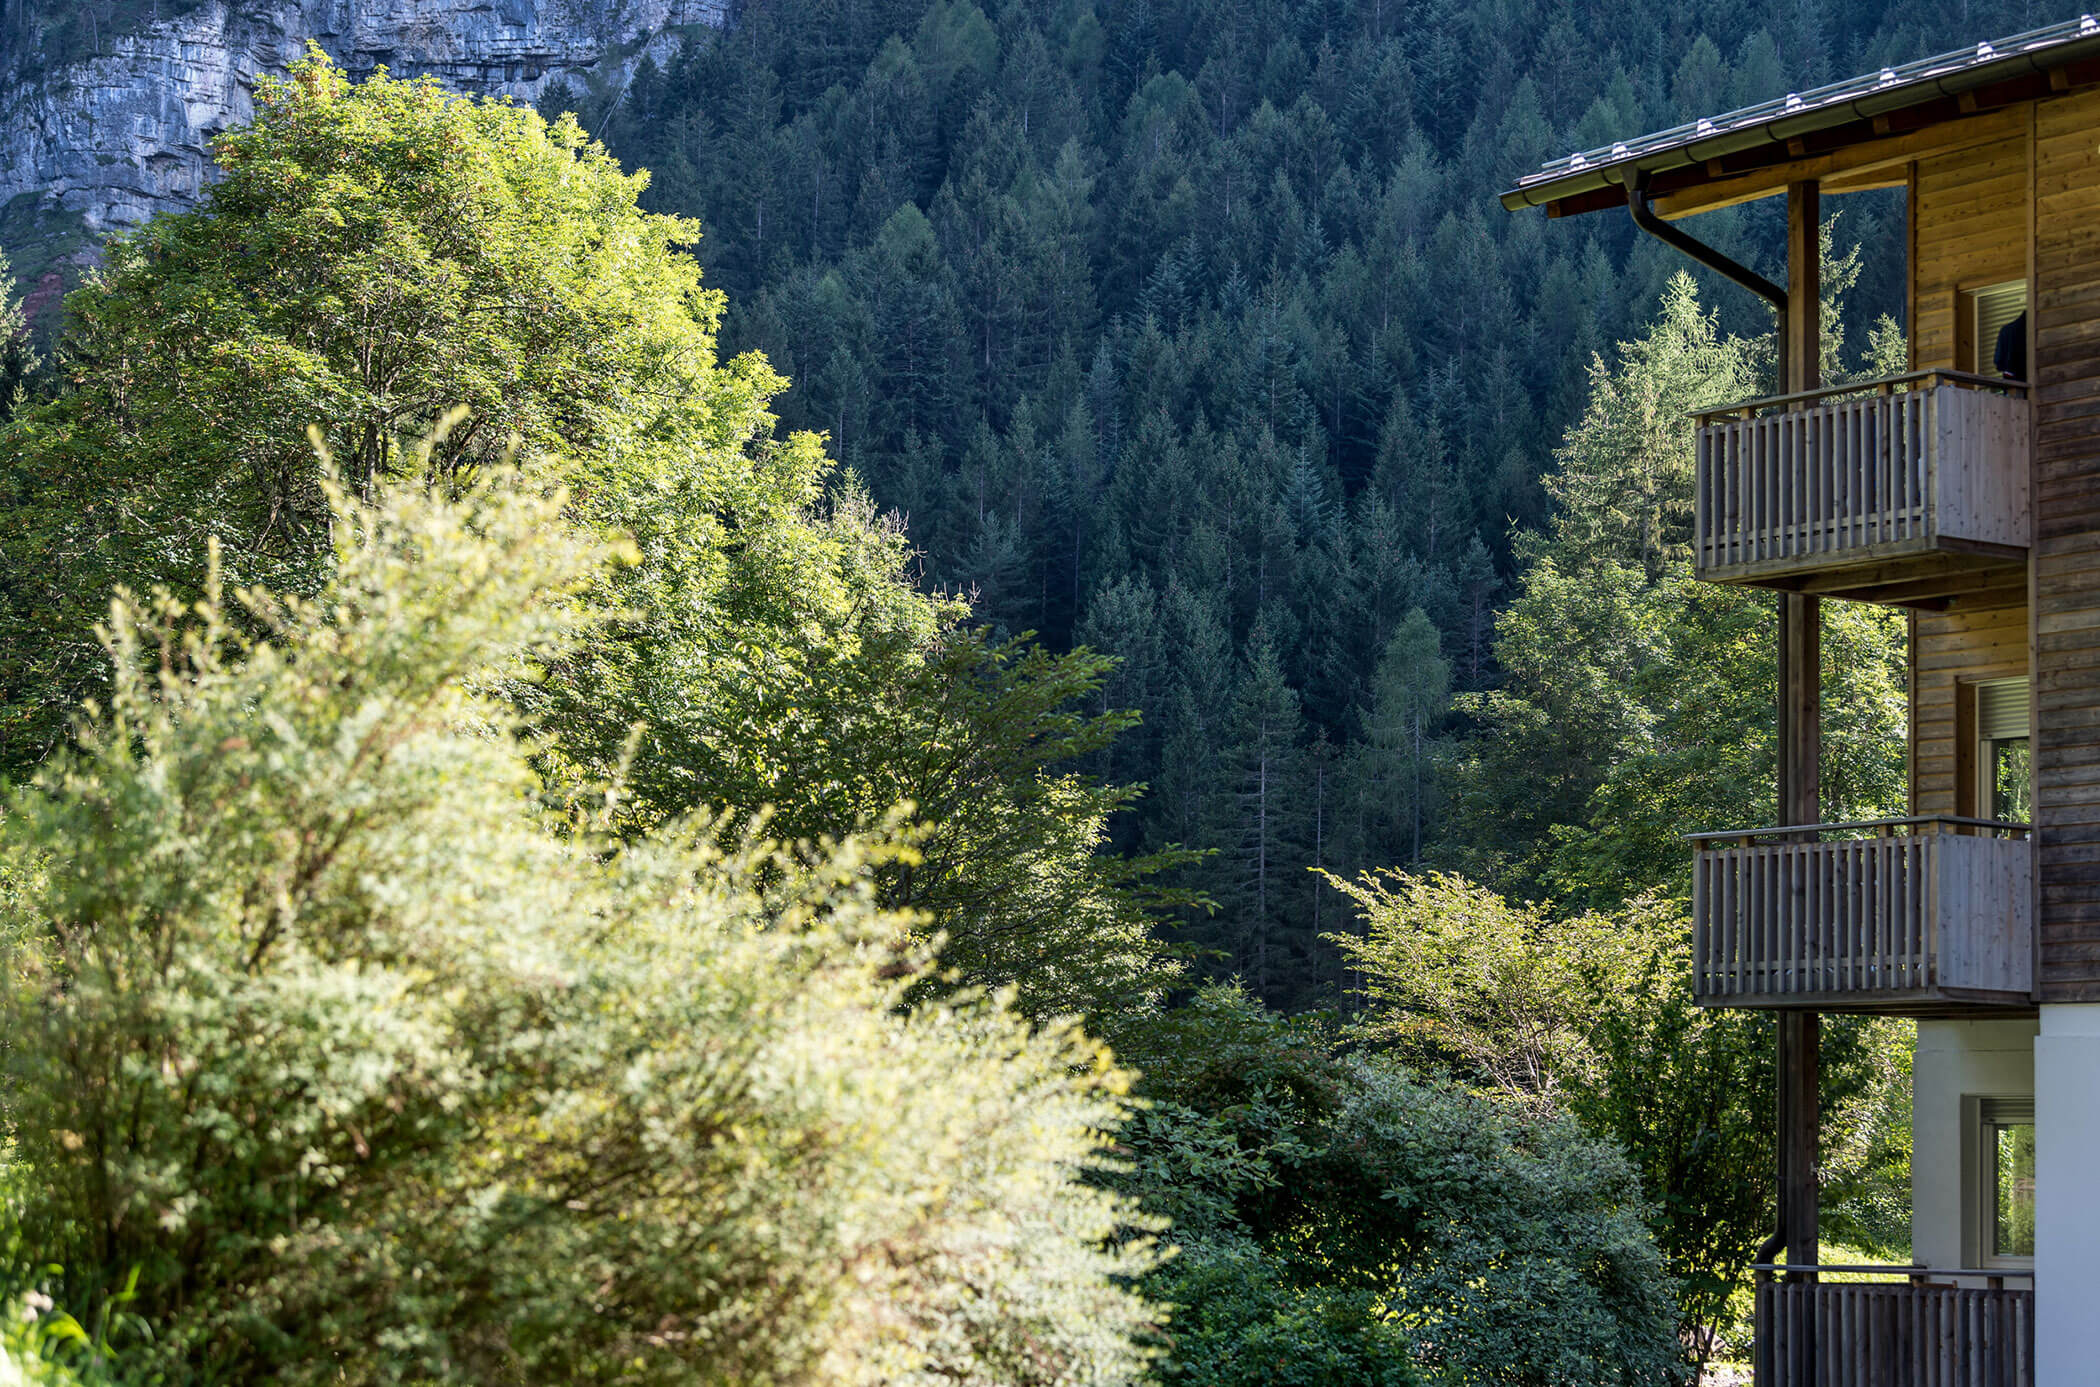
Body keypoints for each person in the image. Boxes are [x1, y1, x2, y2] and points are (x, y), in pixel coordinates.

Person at [1995, 310, 2028, 381]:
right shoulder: (2009, 330)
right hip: (2019, 378)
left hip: (2010, 377)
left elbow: (1998, 360)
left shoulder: (2006, 330)